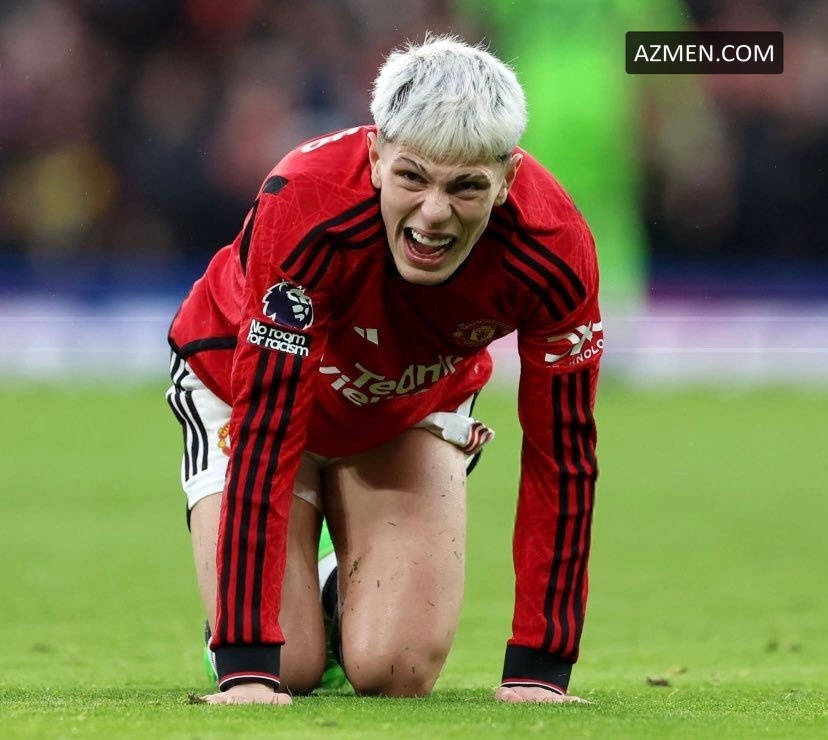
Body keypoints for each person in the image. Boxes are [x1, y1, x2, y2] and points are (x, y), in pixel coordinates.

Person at [166, 34, 602, 706]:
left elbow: (562, 455)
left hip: (404, 408)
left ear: (508, 180)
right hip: (240, 386)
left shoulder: (555, 249)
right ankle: (273, 610)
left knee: (395, 671)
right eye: (412, 178)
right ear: (375, 158)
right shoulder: (306, 203)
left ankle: (331, 587)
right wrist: (247, 664)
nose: (434, 214)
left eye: (466, 186)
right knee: (288, 665)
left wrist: (539, 670)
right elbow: (268, 423)